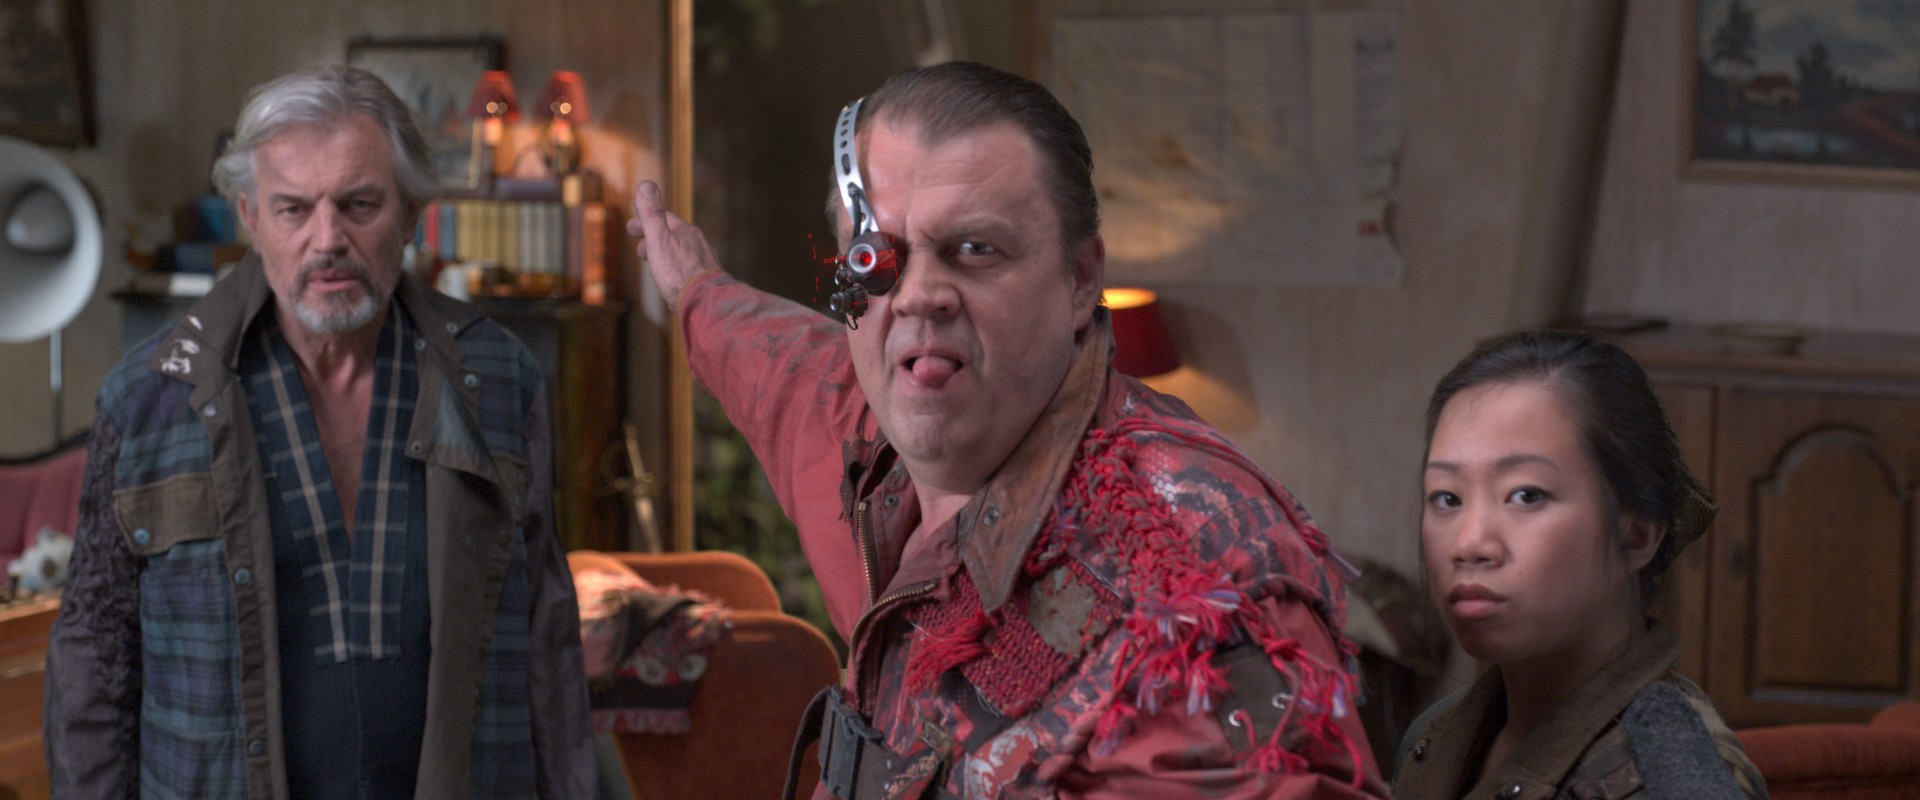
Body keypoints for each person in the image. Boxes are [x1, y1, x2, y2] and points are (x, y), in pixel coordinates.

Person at [630, 61, 1387, 799]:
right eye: (877, 256)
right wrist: (696, 288)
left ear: (1081, 280)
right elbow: (774, 362)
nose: (918, 295)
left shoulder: (1189, 581)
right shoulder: (865, 433)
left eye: (975, 250)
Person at [43, 65, 595, 799]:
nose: (327, 239)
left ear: (410, 212)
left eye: (359, 204)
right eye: (294, 209)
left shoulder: (497, 379)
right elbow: (93, 656)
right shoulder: (150, 398)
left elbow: (545, 638)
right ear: (251, 217)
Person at [1394, 331, 1766, 799]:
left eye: (1526, 495)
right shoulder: (1432, 738)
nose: (1468, 544)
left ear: (1635, 536)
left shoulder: (1673, 780)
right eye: (1447, 498)